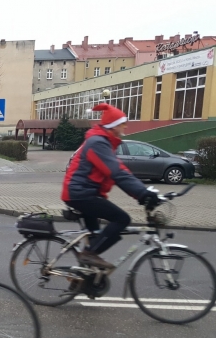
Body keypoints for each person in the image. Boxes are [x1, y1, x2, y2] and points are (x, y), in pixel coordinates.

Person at [62, 103, 156, 269]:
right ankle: (88, 255)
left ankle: (84, 279)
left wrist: (143, 191)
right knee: (122, 219)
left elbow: (121, 169)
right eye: (122, 123)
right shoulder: (98, 143)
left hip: (84, 193)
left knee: (95, 239)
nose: (125, 126)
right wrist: (142, 193)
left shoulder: (103, 142)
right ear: (113, 126)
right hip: (81, 195)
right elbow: (116, 172)